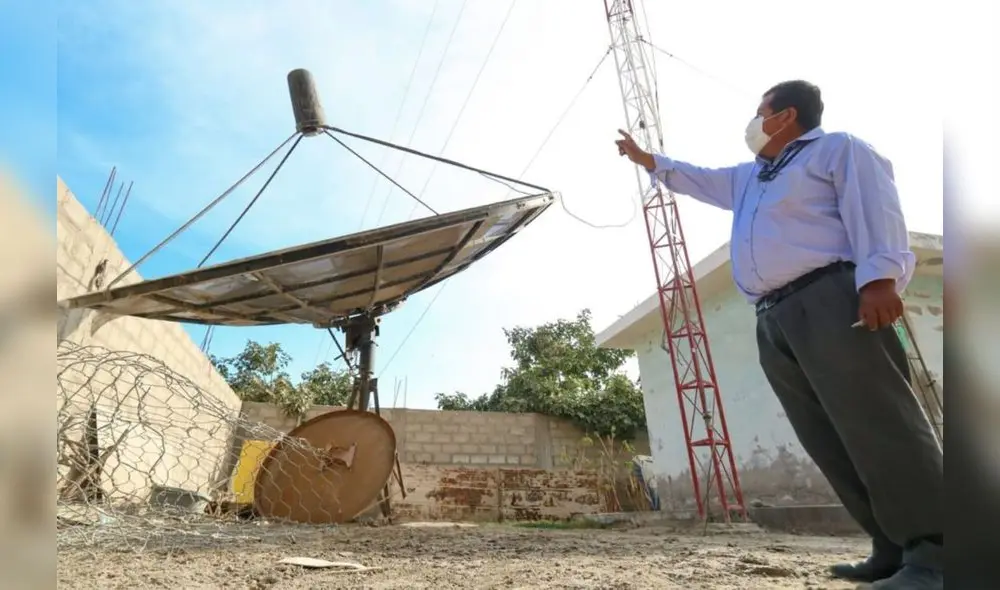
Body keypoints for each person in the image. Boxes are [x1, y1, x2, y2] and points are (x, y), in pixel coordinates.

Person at [615, 80, 943, 590]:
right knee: (827, 436)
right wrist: (648, 159)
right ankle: (892, 546)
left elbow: (876, 210)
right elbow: (699, 178)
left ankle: (940, 552)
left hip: (832, 298)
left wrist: (879, 279)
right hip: (774, 316)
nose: (753, 120)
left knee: (881, 425)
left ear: (785, 116)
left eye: (759, 111)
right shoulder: (753, 177)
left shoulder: (838, 149)